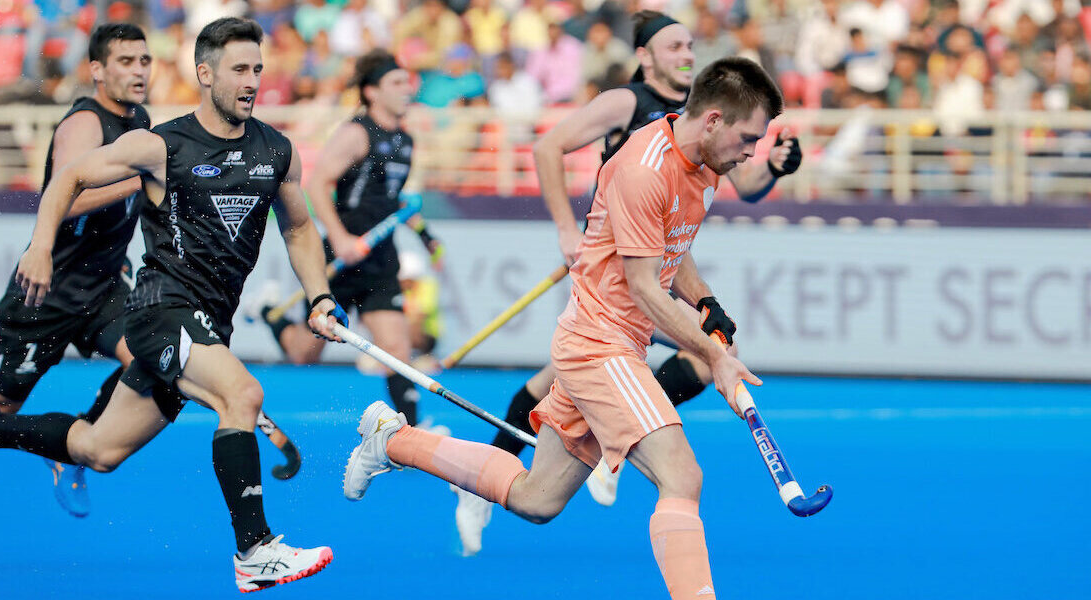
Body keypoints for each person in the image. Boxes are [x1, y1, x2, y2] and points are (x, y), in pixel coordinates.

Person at [0, 18, 344, 593]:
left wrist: (319, 296)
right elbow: (68, 179)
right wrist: (40, 245)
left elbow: (299, 230)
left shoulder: (276, 150)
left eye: (258, 70)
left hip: (189, 316)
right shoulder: (158, 144)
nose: (251, 81)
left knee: (99, 450)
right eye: (239, 69)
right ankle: (255, 551)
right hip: (156, 309)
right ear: (205, 73)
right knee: (242, 395)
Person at [345, 57, 783, 600]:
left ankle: (393, 439)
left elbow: (674, 243)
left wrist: (705, 301)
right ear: (713, 120)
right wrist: (713, 355)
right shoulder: (644, 167)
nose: (751, 153)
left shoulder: (704, 165)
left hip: (612, 341)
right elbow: (646, 288)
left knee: (537, 499)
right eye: (749, 138)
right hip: (602, 345)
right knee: (683, 477)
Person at [454, 10, 803, 555]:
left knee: (701, 359)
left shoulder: (704, 126)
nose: (686, 54)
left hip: (651, 277)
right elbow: (548, 148)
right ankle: (493, 473)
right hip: (614, 276)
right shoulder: (626, 103)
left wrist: (775, 167)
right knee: (560, 378)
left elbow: (741, 185)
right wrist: (566, 230)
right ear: (645, 55)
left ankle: (613, 433)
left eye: (690, 45)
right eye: (673, 46)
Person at [0, 23, 153, 571]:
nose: (138, 71)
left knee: (151, 359)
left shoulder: (142, 123)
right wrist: (144, 179)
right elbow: (67, 196)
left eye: (144, 60)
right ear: (97, 70)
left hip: (103, 290)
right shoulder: (85, 123)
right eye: (126, 61)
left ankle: (73, 446)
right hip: (47, 296)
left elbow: (135, 208)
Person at [248, 49, 443, 428]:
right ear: (372, 91)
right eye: (396, 83)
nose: (407, 89)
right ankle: (271, 312)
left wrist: (426, 236)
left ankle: (415, 431)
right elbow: (318, 185)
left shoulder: (406, 140)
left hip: (380, 258)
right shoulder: (356, 133)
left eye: (407, 82)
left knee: (396, 347)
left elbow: (392, 200)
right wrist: (339, 238)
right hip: (341, 258)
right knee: (304, 353)